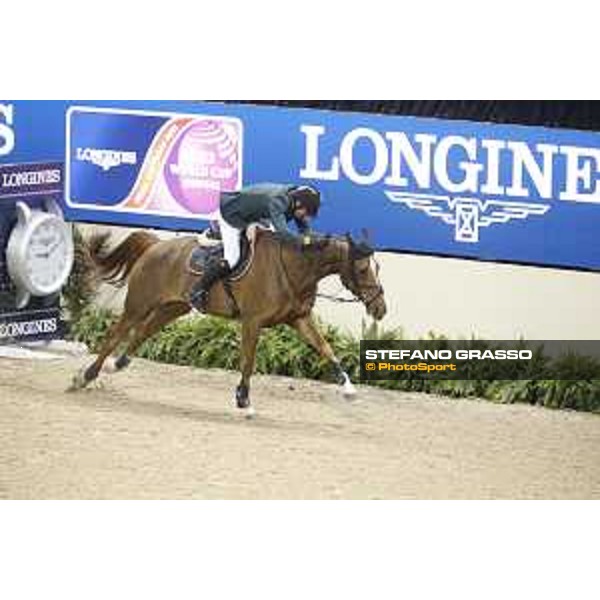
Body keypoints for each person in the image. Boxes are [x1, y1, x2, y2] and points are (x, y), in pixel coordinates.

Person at [189, 183, 322, 311]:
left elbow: (304, 229)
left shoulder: (295, 199)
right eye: (306, 212)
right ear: (298, 204)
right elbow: (283, 233)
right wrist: (305, 241)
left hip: (252, 214)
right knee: (232, 259)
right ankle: (198, 290)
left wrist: (316, 239)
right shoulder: (278, 201)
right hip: (231, 213)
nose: (307, 217)